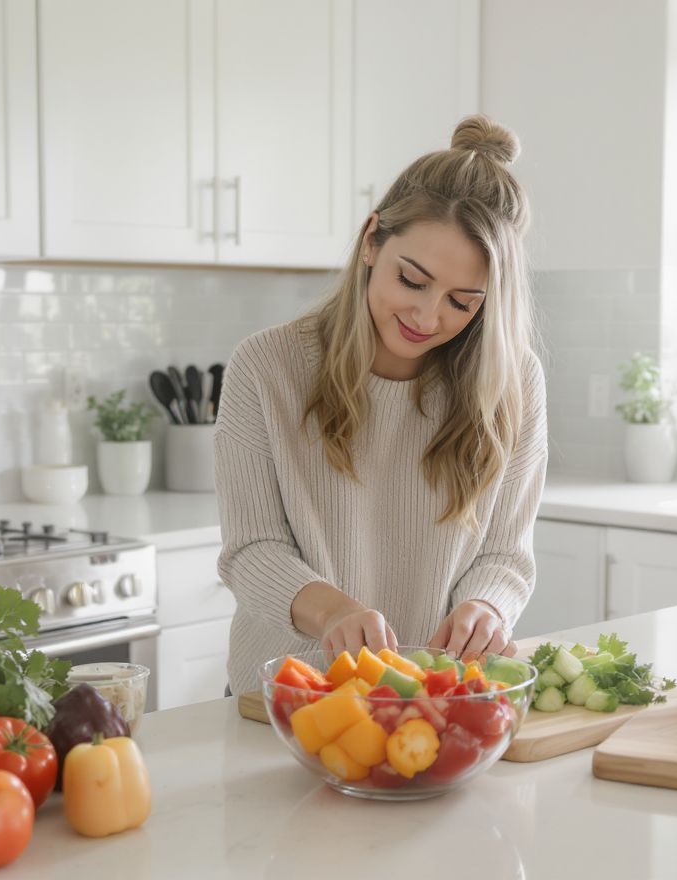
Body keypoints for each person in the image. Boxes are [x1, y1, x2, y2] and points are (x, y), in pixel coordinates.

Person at [214, 115, 547, 695]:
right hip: (288, 701)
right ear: (372, 241)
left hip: (432, 703)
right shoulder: (266, 367)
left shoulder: (513, 381)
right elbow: (251, 551)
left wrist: (487, 607)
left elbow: (506, 555)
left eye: (462, 302)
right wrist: (333, 613)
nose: (427, 317)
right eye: (412, 281)